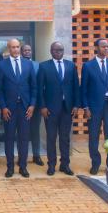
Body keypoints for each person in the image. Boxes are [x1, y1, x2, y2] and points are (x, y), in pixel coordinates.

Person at [37, 42, 80, 176]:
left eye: (60, 50)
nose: (58, 52)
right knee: (51, 138)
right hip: (50, 109)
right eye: (55, 50)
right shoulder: (44, 66)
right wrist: (42, 106)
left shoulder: (71, 66)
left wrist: (76, 105)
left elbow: (76, 88)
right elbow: (39, 89)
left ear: (63, 51)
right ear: (51, 51)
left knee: (65, 138)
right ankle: (51, 165)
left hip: (67, 108)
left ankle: (65, 165)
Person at [0, 39, 37, 178]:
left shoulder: (28, 64)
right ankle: (10, 168)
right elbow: (0, 90)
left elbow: (34, 87)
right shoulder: (2, 65)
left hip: (25, 108)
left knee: (24, 139)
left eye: (17, 47)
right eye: (12, 47)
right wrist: (3, 107)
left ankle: (23, 167)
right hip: (9, 109)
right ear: (8, 48)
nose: (15, 49)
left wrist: (32, 105)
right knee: (9, 139)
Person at [81, 38, 108, 175]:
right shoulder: (88, 66)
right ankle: (95, 163)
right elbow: (83, 89)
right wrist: (85, 107)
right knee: (93, 136)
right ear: (96, 48)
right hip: (94, 107)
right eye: (103, 46)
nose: (106, 49)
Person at [21, 44, 44, 166]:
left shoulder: (37, 65)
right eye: (25, 50)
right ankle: (22, 158)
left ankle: (36, 155)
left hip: (35, 104)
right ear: (21, 52)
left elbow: (39, 86)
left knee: (35, 131)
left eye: (29, 50)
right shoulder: (17, 65)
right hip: (21, 104)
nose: (27, 52)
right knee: (22, 133)